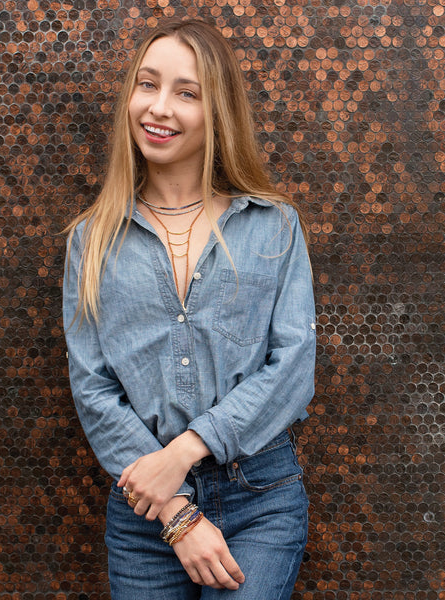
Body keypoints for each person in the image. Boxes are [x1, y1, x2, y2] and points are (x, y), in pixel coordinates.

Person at [63, 18, 316, 600]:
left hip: (259, 497)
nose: (158, 107)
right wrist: (177, 514)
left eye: (186, 92)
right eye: (147, 85)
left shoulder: (273, 225)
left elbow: (294, 367)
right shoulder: (91, 239)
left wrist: (183, 452)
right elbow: (94, 388)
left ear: (218, 111)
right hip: (145, 512)